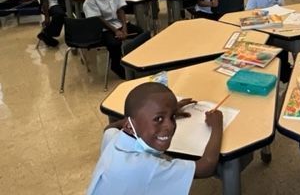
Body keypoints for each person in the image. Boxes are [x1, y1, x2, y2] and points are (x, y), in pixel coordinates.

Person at [86, 82, 222, 195]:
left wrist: (166, 111)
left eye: (172, 117)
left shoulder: (112, 138)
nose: (169, 126)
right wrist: (217, 126)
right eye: (158, 119)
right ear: (129, 125)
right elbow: (206, 167)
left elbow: (109, 128)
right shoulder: (144, 167)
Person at [83, 0, 151, 79]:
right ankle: (116, 65)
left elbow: (120, 10)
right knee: (114, 43)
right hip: (103, 28)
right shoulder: (90, 0)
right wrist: (116, 31)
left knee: (142, 33)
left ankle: (136, 60)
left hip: (118, 24)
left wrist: (124, 28)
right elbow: (98, 19)